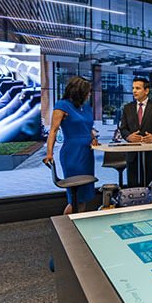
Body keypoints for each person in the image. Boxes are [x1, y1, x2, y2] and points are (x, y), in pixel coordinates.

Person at [43, 76, 98, 214]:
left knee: (84, 197)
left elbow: (88, 127)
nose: (89, 94)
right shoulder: (62, 105)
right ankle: (64, 228)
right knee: (75, 197)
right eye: (88, 91)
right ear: (78, 91)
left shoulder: (86, 107)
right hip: (72, 154)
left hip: (87, 154)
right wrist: (49, 153)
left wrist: (93, 139)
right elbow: (53, 131)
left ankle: (79, 227)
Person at [118, 77, 152, 187]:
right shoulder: (127, 107)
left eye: (138, 88)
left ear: (146, 91)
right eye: (133, 88)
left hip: (151, 153)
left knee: (150, 185)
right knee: (133, 186)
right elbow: (123, 129)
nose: (134, 91)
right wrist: (129, 137)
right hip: (132, 153)